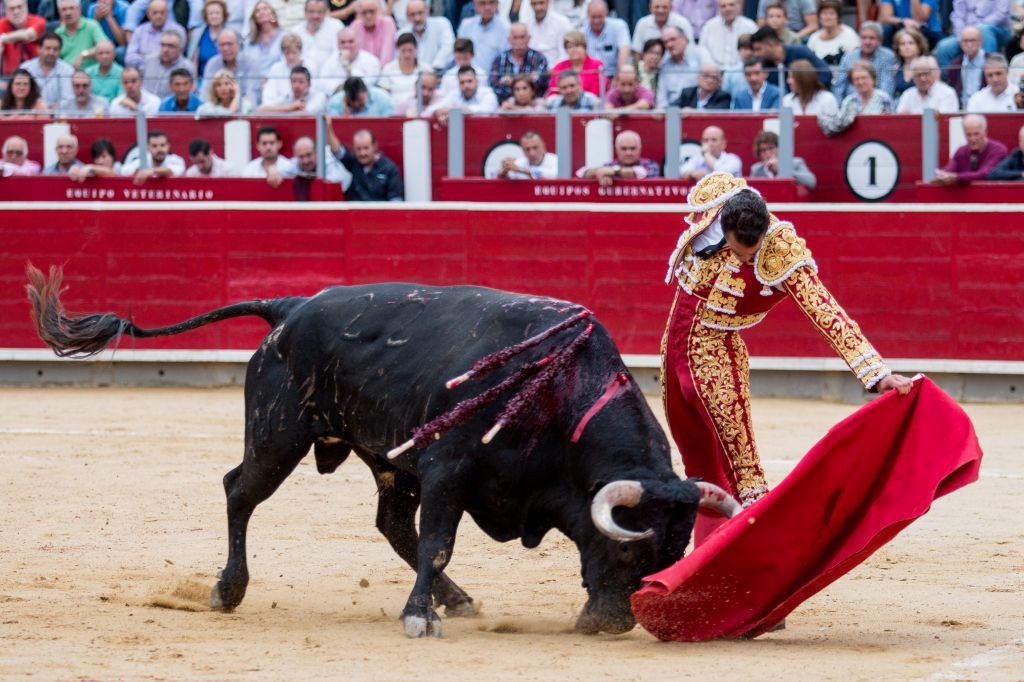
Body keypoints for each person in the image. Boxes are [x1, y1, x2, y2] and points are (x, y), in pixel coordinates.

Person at [661, 173, 913, 543]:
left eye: (750, 252)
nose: (744, 258)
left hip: (717, 357)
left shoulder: (781, 249)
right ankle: (704, 561)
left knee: (744, 474)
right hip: (673, 350)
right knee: (697, 468)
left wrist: (876, 373)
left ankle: (761, 556)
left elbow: (823, 308)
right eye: (736, 250)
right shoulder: (714, 205)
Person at [324, 114, 404, 201]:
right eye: (358, 149)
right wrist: (328, 128)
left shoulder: (389, 168)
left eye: (366, 148)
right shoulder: (353, 162)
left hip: (380, 213)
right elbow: (337, 151)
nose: (362, 153)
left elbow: (395, 201)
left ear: (374, 146)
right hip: (355, 213)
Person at [819, 59, 893, 136]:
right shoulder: (849, 101)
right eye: (856, 79)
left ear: (872, 78)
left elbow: (890, 125)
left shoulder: (883, 98)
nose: (860, 82)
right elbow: (839, 125)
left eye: (864, 77)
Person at [932, 113, 1008, 184]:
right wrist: (942, 175)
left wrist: (957, 177)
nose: (973, 139)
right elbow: (950, 169)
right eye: (968, 135)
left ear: (985, 132)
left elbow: (984, 174)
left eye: (976, 134)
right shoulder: (961, 151)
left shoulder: (998, 150)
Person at [934, 0, 1012, 68]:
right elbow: (957, 16)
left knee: (984, 30)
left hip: (997, 31)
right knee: (943, 47)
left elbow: (1002, 13)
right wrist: (963, 34)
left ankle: (988, 76)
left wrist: (975, 32)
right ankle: (951, 82)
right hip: (966, 32)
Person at [749, 25, 830, 89]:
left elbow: (825, 73)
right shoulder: (763, 65)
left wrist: (810, 92)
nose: (755, 54)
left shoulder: (800, 52)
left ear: (770, 44)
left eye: (758, 49)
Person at [832, 21, 897, 99]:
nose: (867, 42)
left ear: (880, 41)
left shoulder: (887, 56)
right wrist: (839, 106)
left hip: (877, 103)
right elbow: (839, 85)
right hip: (850, 104)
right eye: (864, 38)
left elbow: (886, 85)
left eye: (872, 38)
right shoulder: (849, 56)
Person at [489, 22, 549, 102]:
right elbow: (495, 85)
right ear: (509, 39)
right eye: (515, 38)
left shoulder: (539, 58)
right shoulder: (500, 59)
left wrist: (512, 82)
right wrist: (526, 82)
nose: (519, 41)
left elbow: (540, 84)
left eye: (522, 37)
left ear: (529, 38)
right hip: (506, 103)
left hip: (534, 103)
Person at [575, 129, 659, 186]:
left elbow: (641, 173)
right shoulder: (610, 165)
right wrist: (599, 172)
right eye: (624, 149)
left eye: (633, 148)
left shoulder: (651, 165)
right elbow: (580, 172)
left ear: (640, 149)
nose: (628, 153)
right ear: (616, 149)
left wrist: (612, 172)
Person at [201, 28, 260, 104]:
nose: (226, 48)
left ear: (239, 45)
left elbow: (252, 96)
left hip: (244, 110)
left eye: (229, 44)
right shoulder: (212, 64)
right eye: (222, 45)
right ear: (217, 47)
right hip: (217, 110)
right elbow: (205, 94)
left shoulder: (250, 63)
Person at [655, 26, 711, 106]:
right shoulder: (665, 65)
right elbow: (662, 99)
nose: (669, 45)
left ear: (684, 38)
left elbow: (711, 84)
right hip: (672, 113)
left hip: (697, 111)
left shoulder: (700, 54)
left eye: (673, 39)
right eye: (666, 42)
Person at [316, 28, 382, 95]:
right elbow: (322, 82)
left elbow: (366, 84)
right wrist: (340, 87)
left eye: (351, 42)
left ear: (358, 43)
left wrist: (346, 65)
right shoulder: (331, 60)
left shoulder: (371, 60)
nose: (347, 46)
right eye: (343, 42)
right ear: (338, 45)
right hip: (337, 98)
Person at [125, 0, 185, 68]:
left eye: (162, 13)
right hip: (143, 71)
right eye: (155, 13)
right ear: (148, 14)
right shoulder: (140, 30)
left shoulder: (178, 30)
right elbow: (129, 58)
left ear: (167, 13)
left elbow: (177, 58)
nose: (159, 16)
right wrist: (157, 59)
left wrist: (144, 56)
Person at [21, 32, 75, 108]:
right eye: (48, 48)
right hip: (30, 115)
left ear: (60, 51)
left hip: (57, 116)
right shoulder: (26, 68)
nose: (51, 52)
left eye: (55, 49)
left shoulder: (67, 70)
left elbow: (68, 99)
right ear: (39, 49)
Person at [399, 0, 455, 72]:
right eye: (412, 14)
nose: (417, 18)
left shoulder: (442, 24)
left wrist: (432, 70)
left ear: (427, 11)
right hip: (413, 77)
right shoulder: (402, 34)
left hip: (442, 74)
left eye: (420, 13)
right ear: (407, 17)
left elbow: (448, 49)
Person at [701, 0, 758, 70]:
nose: (727, 9)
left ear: (738, 6)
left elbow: (756, 52)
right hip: (714, 72)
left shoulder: (750, 27)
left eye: (731, 5)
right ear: (719, 8)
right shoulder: (709, 26)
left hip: (742, 72)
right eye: (723, 6)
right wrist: (711, 67)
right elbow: (702, 50)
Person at [748, 129, 816, 188]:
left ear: (779, 148)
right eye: (763, 150)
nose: (767, 153)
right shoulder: (756, 169)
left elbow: (811, 182)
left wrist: (782, 171)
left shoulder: (796, 163)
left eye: (771, 148)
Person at [545, 30, 603, 96]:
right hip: (563, 104)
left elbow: (596, 93)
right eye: (569, 47)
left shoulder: (597, 65)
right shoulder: (559, 67)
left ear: (584, 47)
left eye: (577, 46)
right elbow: (552, 92)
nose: (573, 49)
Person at [430, 64, 499, 121]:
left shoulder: (487, 93)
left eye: (469, 81)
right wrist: (437, 112)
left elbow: (488, 110)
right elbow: (431, 110)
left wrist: (459, 111)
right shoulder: (455, 94)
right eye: (462, 82)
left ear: (477, 81)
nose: (466, 85)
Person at [457, 0, 509, 72]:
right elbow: (459, 53)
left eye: (492, 2)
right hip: (467, 77)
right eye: (482, 3)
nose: (487, 7)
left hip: (492, 79)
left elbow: (506, 58)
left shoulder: (506, 28)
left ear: (497, 4)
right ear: (474, 5)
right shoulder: (466, 25)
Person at [582, 0, 629, 79]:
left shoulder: (618, 26)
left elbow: (624, 50)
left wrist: (618, 78)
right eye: (593, 17)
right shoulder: (582, 32)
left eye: (600, 17)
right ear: (588, 15)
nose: (596, 21)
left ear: (606, 14)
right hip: (591, 77)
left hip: (613, 75)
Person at [143, 28, 195, 99]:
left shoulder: (186, 67)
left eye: (171, 46)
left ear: (181, 50)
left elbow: (189, 95)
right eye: (163, 45)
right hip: (146, 106)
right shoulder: (149, 60)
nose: (165, 50)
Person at [806, 0, 859, 69]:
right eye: (824, 13)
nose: (828, 17)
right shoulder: (814, 38)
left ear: (838, 16)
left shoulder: (849, 34)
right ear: (819, 17)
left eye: (832, 13)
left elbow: (855, 61)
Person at [945, 26, 989, 107]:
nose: (969, 44)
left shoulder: (991, 60)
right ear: (960, 43)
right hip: (962, 109)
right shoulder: (955, 64)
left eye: (972, 40)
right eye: (965, 41)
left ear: (981, 42)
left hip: (986, 107)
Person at [55, 0, 107, 68]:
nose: (68, 13)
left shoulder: (91, 26)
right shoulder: (58, 33)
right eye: (64, 9)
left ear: (79, 9)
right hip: (67, 74)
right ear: (59, 12)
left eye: (71, 8)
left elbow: (105, 47)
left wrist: (83, 54)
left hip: (90, 72)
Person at [0, 0, 46, 75]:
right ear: (5, 11)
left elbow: (27, 35)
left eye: (19, 7)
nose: (16, 12)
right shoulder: (1, 24)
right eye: (12, 8)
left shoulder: (39, 21)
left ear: (26, 7)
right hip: (10, 78)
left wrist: (3, 38)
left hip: (35, 76)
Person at [261, 33, 309, 105]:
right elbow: (267, 101)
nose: (291, 57)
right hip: (281, 113)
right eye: (287, 53)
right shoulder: (276, 69)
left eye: (294, 52)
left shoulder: (310, 67)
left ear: (300, 51)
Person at [121, 130, 186, 181]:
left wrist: (151, 172)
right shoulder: (144, 159)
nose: (159, 149)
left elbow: (171, 172)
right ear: (148, 147)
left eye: (162, 145)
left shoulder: (176, 160)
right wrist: (136, 171)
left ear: (168, 146)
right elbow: (123, 171)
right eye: (154, 146)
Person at [257, 64, 327, 112]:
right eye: (293, 81)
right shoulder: (288, 96)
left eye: (301, 82)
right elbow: (261, 110)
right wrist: (289, 108)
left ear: (309, 84)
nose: (296, 85)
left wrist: (285, 110)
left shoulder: (319, 96)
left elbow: (304, 113)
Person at [522, 0, 572, 66]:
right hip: (529, 71)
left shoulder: (562, 23)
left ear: (548, 3)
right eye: (534, 4)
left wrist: (553, 71)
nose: (538, 7)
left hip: (555, 71)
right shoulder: (526, 24)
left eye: (541, 3)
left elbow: (565, 54)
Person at [297, 0, 343, 66]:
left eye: (319, 12)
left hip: (331, 73)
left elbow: (340, 54)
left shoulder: (336, 27)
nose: (315, 16)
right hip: (303, 73)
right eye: (311, 12)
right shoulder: (296, 31)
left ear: (326, 12)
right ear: (305, 12)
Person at [188, 0, 228, 77]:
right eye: (211, 14)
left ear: (224, 15)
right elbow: (194, 61)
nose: (214, 16)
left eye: (217, 13)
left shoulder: (230, 34)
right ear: (206, 16)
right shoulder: (197, 34)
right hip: (201, 79)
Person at [244, 0, 284, 76]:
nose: (261, 12)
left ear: (272, 13)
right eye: (257, 11)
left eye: (265, 9)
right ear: (254, 17)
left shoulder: (283, 37)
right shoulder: (249, 41)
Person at [327, 74, 395, 114]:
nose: (356, 104)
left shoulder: (383, 99)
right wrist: (346, 114)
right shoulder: (335, 102)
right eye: (352, 101)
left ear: (366, 91)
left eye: (359, 100)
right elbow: (332, 130)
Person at [892, 27, 927, 97]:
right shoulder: (896, 68)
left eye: (911, 43)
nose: (907, 47)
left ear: (919, 46)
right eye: (902, 44)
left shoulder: (927, 64)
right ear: (898, 48)